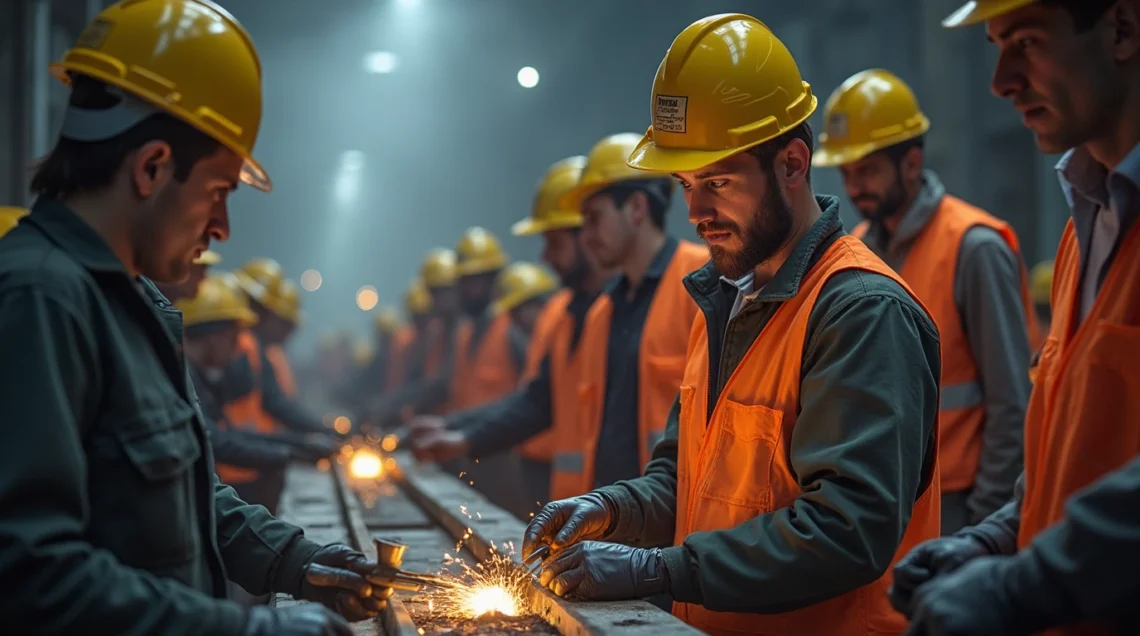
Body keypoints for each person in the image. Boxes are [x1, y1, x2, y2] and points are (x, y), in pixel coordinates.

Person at [523, 14, 942, 635]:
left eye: (717, 181)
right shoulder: (726, 300)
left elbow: (845, 530)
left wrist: (656, 570)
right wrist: (609, 507)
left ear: (793, 164)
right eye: (686, 183)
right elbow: (682, 478)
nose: (695, 211)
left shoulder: (860, 310)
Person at [0, 2, 389, 633]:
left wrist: (297, 561)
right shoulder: (39, 301)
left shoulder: (138, 305)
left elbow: (186, 495)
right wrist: (244, 630)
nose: (221, 227)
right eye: (218, 192)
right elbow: (28, 572)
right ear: (152, 167)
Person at [895, 0, 1140, 634]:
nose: (1000, 80)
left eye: (1026, 42)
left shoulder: (975, 245)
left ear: (1122, 28)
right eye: (997, 45)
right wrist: (993, 539)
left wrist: (1019, 585)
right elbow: (1066, 445)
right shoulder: (1084, 231)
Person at [813, 68, 1038, 532]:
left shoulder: (973, 248)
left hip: (961, 504)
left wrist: (985, 524)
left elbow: (1012, 402)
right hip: (884, 501)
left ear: (912, 163)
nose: (854, 187)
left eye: (868, 169)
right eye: (847, 172)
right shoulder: (857, 250)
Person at [408, 156, 613, 509]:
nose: (545, 257)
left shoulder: (612, 310)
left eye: (554, 242)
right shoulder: (571, 315)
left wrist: (460, 433)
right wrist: (461, 436)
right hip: (566, 488)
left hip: (615, 505)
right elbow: (536, 399)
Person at [548, 132, 708, 501]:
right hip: (611, 521)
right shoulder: (602, 313)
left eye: (593, 219)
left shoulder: (703, 282)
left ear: (636, 208)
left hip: (672, 522)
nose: (585, 237)